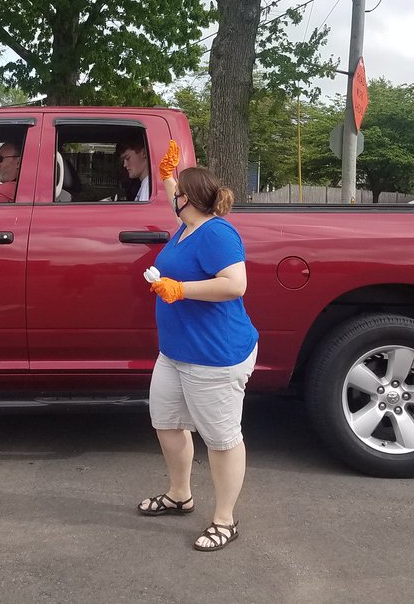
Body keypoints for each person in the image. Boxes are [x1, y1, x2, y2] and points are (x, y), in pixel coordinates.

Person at [137, 142, 258, 552]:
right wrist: (168, 169)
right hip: (175, 352)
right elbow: (177, 186)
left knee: (222, 439)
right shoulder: (188, 223)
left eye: (175, 189)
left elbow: (235, 284)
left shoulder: (217, 232)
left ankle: (225, 519)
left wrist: (179, 289)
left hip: (214, 356)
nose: (171, 192)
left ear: (186, 199)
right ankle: (179, 495)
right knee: (167, 423)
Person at [116, 136, 150, 201]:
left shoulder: (148, 187)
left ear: (144, 153)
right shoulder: (146, 185)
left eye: (128, 158)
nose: (124, 165)